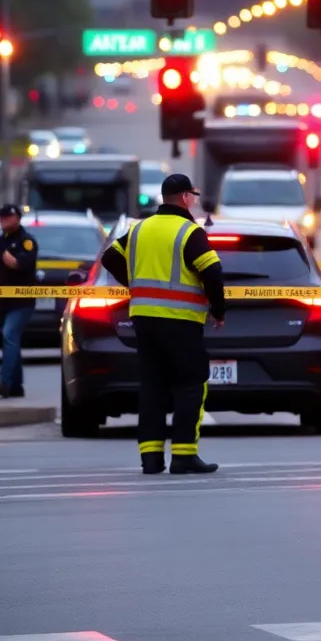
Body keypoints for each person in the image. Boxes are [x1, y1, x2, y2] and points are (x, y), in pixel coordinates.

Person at [100, 174, 226, 475]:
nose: (194, 201)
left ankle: (151, 458)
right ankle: (183, 454)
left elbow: (109, 258)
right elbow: (212, 271)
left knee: (153, 386)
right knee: (189, 384)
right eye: (192, 196)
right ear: (184, 197)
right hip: (180, 321)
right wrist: (218, 309)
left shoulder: (140, 229)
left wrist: (134, 285)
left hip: (143, 319)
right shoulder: (188, 231)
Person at [0, 205, 38, 399]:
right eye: (2, 217)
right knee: (12, 340)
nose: (4, 220)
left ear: (18, 218)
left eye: (8, 217)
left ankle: (5, 382)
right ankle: (16, 386)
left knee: (9, 335)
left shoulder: (26, 241)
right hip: (4, 301)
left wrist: (10, 260)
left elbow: (21, 264)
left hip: (22, 301)